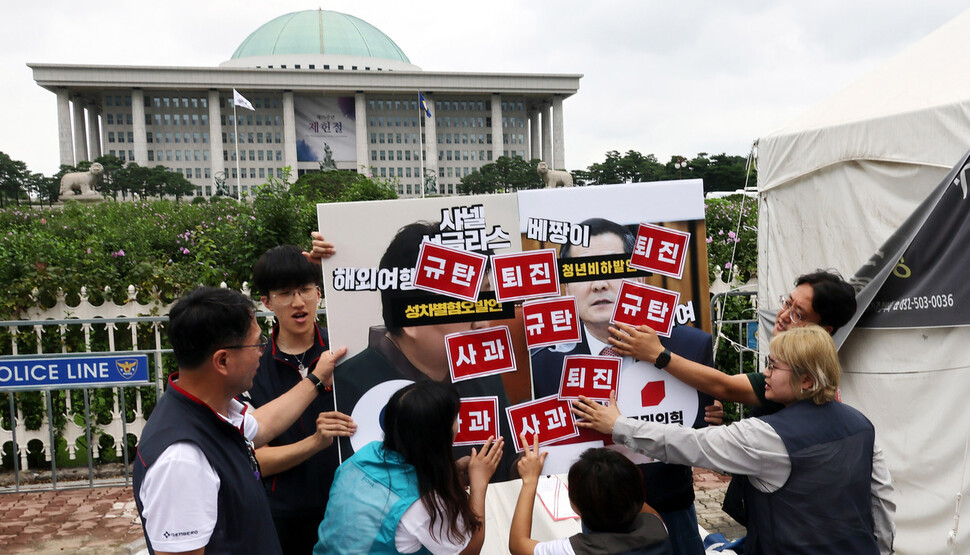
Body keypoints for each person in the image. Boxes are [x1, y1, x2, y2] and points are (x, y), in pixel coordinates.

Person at [573, 325, 895, 555]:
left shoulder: (768, 436)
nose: (765, 373)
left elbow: (688, 444)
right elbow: (881, 506)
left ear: (806, 380)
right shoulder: (862, 424)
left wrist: (619, 425)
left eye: (773, 366)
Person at [529, 217, 715, 555]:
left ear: (639, 277)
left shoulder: (688, 347)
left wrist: (710, 418)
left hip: (671, 506)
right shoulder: (544, 365)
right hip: (596, 517)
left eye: (611, 268)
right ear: (565, 286)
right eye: (583, 271)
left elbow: (703, 430)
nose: (599, 284)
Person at [132, 287, 349, 555]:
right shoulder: (183, 460)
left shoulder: (209, 412)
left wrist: (315, 380)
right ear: (222, 360)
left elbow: (261, 426)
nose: (262, 352)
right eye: (257, 344)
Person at [330, 221, 517, 479]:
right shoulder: (347, 386)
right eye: (467, 306)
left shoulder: (483, 373)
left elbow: (506, 465)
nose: (483, 323)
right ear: (411, 320)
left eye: (487, 297)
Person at [607, 270, 857, 414]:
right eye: (786, 302)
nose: (782, 316)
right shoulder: (812, 376)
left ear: (824, 330)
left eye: (797, 314)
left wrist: (660, 355)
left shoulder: (800, 379)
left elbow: (725, 387)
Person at [242, 244, 356, 554]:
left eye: (305, 289)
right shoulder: (254, 368)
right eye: (284, 293)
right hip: (284, 516)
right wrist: (315, 443)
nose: (298, 302)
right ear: (266, 301)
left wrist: (339, 245)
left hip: (351, 509)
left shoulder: (348, 351)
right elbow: (254, 458)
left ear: (319, 292)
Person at [314, 380, 505, 553]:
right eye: (454, 419)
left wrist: (450, 472)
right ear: (438, 434)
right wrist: (480, 483)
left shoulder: (364, 455)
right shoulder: (425, 506)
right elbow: (469, 551)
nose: (458, 425)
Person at [509, 433, 671, 555]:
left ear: (574, 503)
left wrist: (530, 481)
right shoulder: (656, 528)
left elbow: (518, 544)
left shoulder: (576, 550)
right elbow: (631, 493)